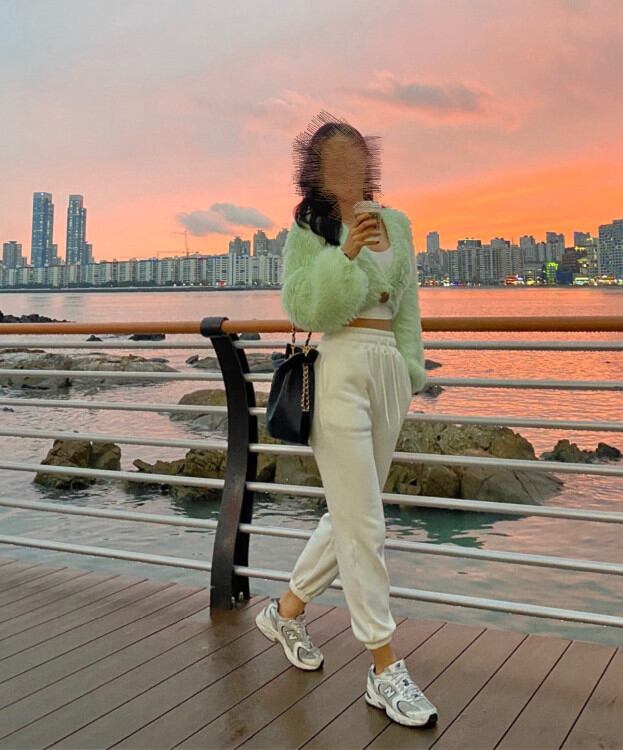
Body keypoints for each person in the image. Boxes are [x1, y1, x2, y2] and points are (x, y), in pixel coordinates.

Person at [255, 112, 438, 728]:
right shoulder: (310, 228)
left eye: (356, 158)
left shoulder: (398, 224)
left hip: (387, 372)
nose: (348, 170)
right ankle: (384, 666)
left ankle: (284, 611)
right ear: (316, 171)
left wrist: (409, 370)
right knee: (364, 523)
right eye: (335, 161)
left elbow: (408, 307)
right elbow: (306, 307)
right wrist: (346, 252)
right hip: (338, 370)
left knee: (350, 514)